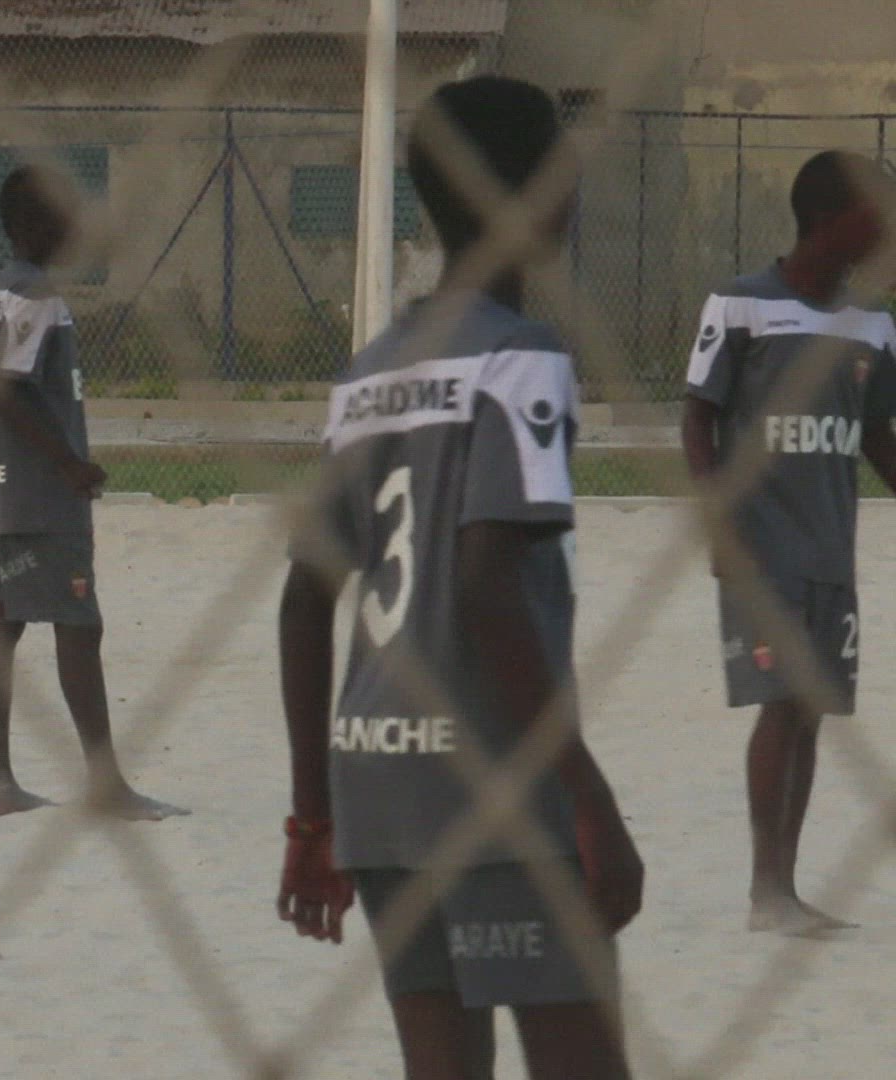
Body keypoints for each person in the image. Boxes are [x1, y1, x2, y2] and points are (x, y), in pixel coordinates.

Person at [276, 76, 642, 1079]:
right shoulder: (523, 357)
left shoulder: (369, 374)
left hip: (377, 782)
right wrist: (587, 794)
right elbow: (485, 589)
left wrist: (312, 815)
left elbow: (304, 602)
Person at [681, 149, 896, 936]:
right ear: (831, 221)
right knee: (782, 704)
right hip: (762, 545)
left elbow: (876, 434)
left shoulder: (874, 322)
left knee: (810, 711)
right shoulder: (740, 304)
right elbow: (698, 417)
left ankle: (787, 887)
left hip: (829, 548)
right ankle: (765, 889)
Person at [0, 164, 185, 821]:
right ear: (36, 224)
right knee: (79, 625)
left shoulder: (7, 290)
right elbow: (3, 387)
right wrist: (67, 462)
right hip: (39, 496)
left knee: (2, 619)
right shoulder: (34, 295)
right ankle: (104, 784)